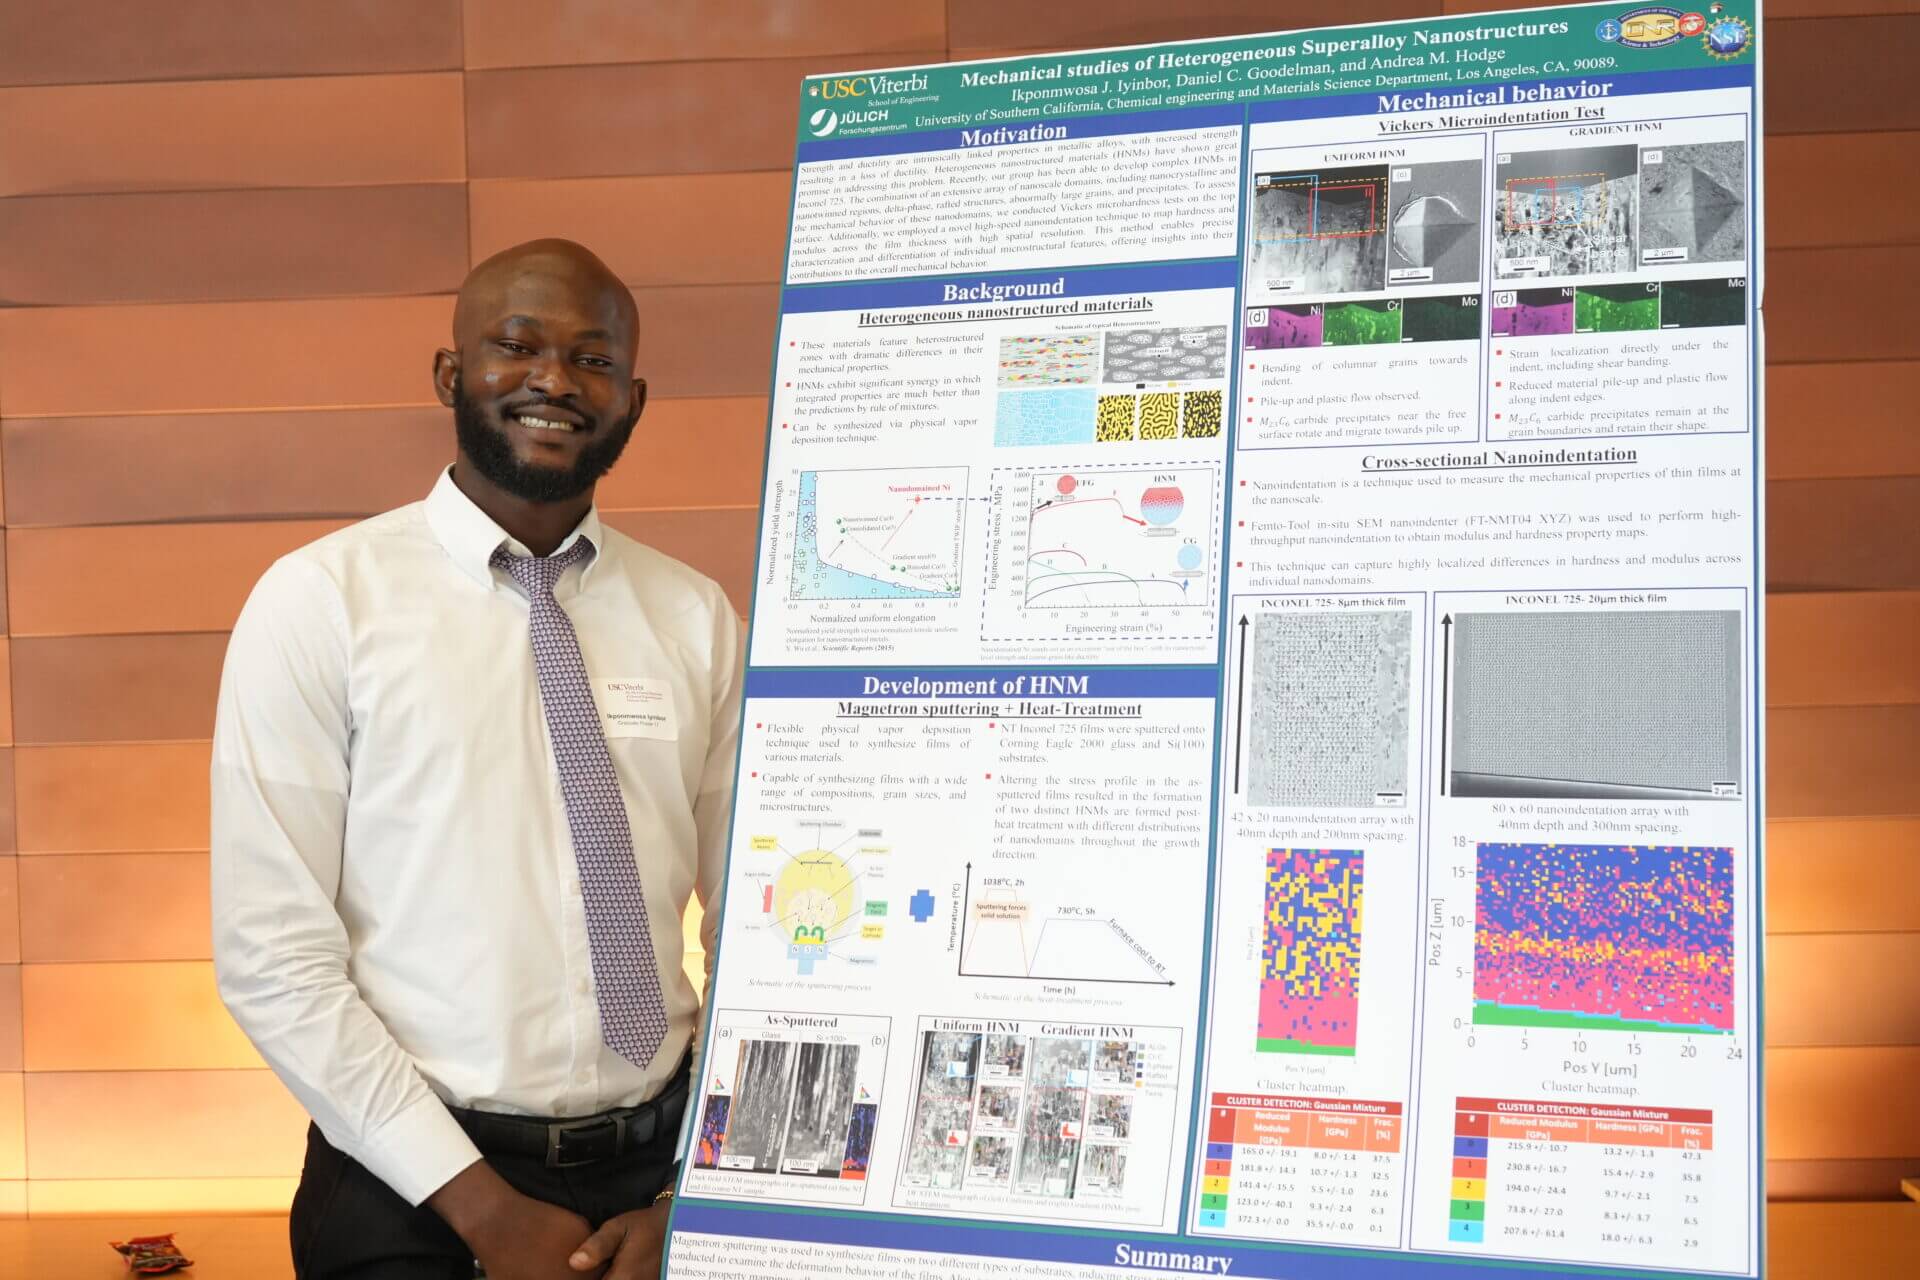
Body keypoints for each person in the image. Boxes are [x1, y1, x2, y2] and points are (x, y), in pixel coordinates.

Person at [212, 239, 742, 1280]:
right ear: (453, 375)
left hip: (660, 1176)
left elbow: (756, 934)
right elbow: (271, 954)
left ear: (632, 401)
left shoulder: (696, 616)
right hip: (411, 1184)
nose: (554, 379)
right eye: (518, 345)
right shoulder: (321, 602)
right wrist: (485, 1211)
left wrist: (699, 1190)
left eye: (592, 359)